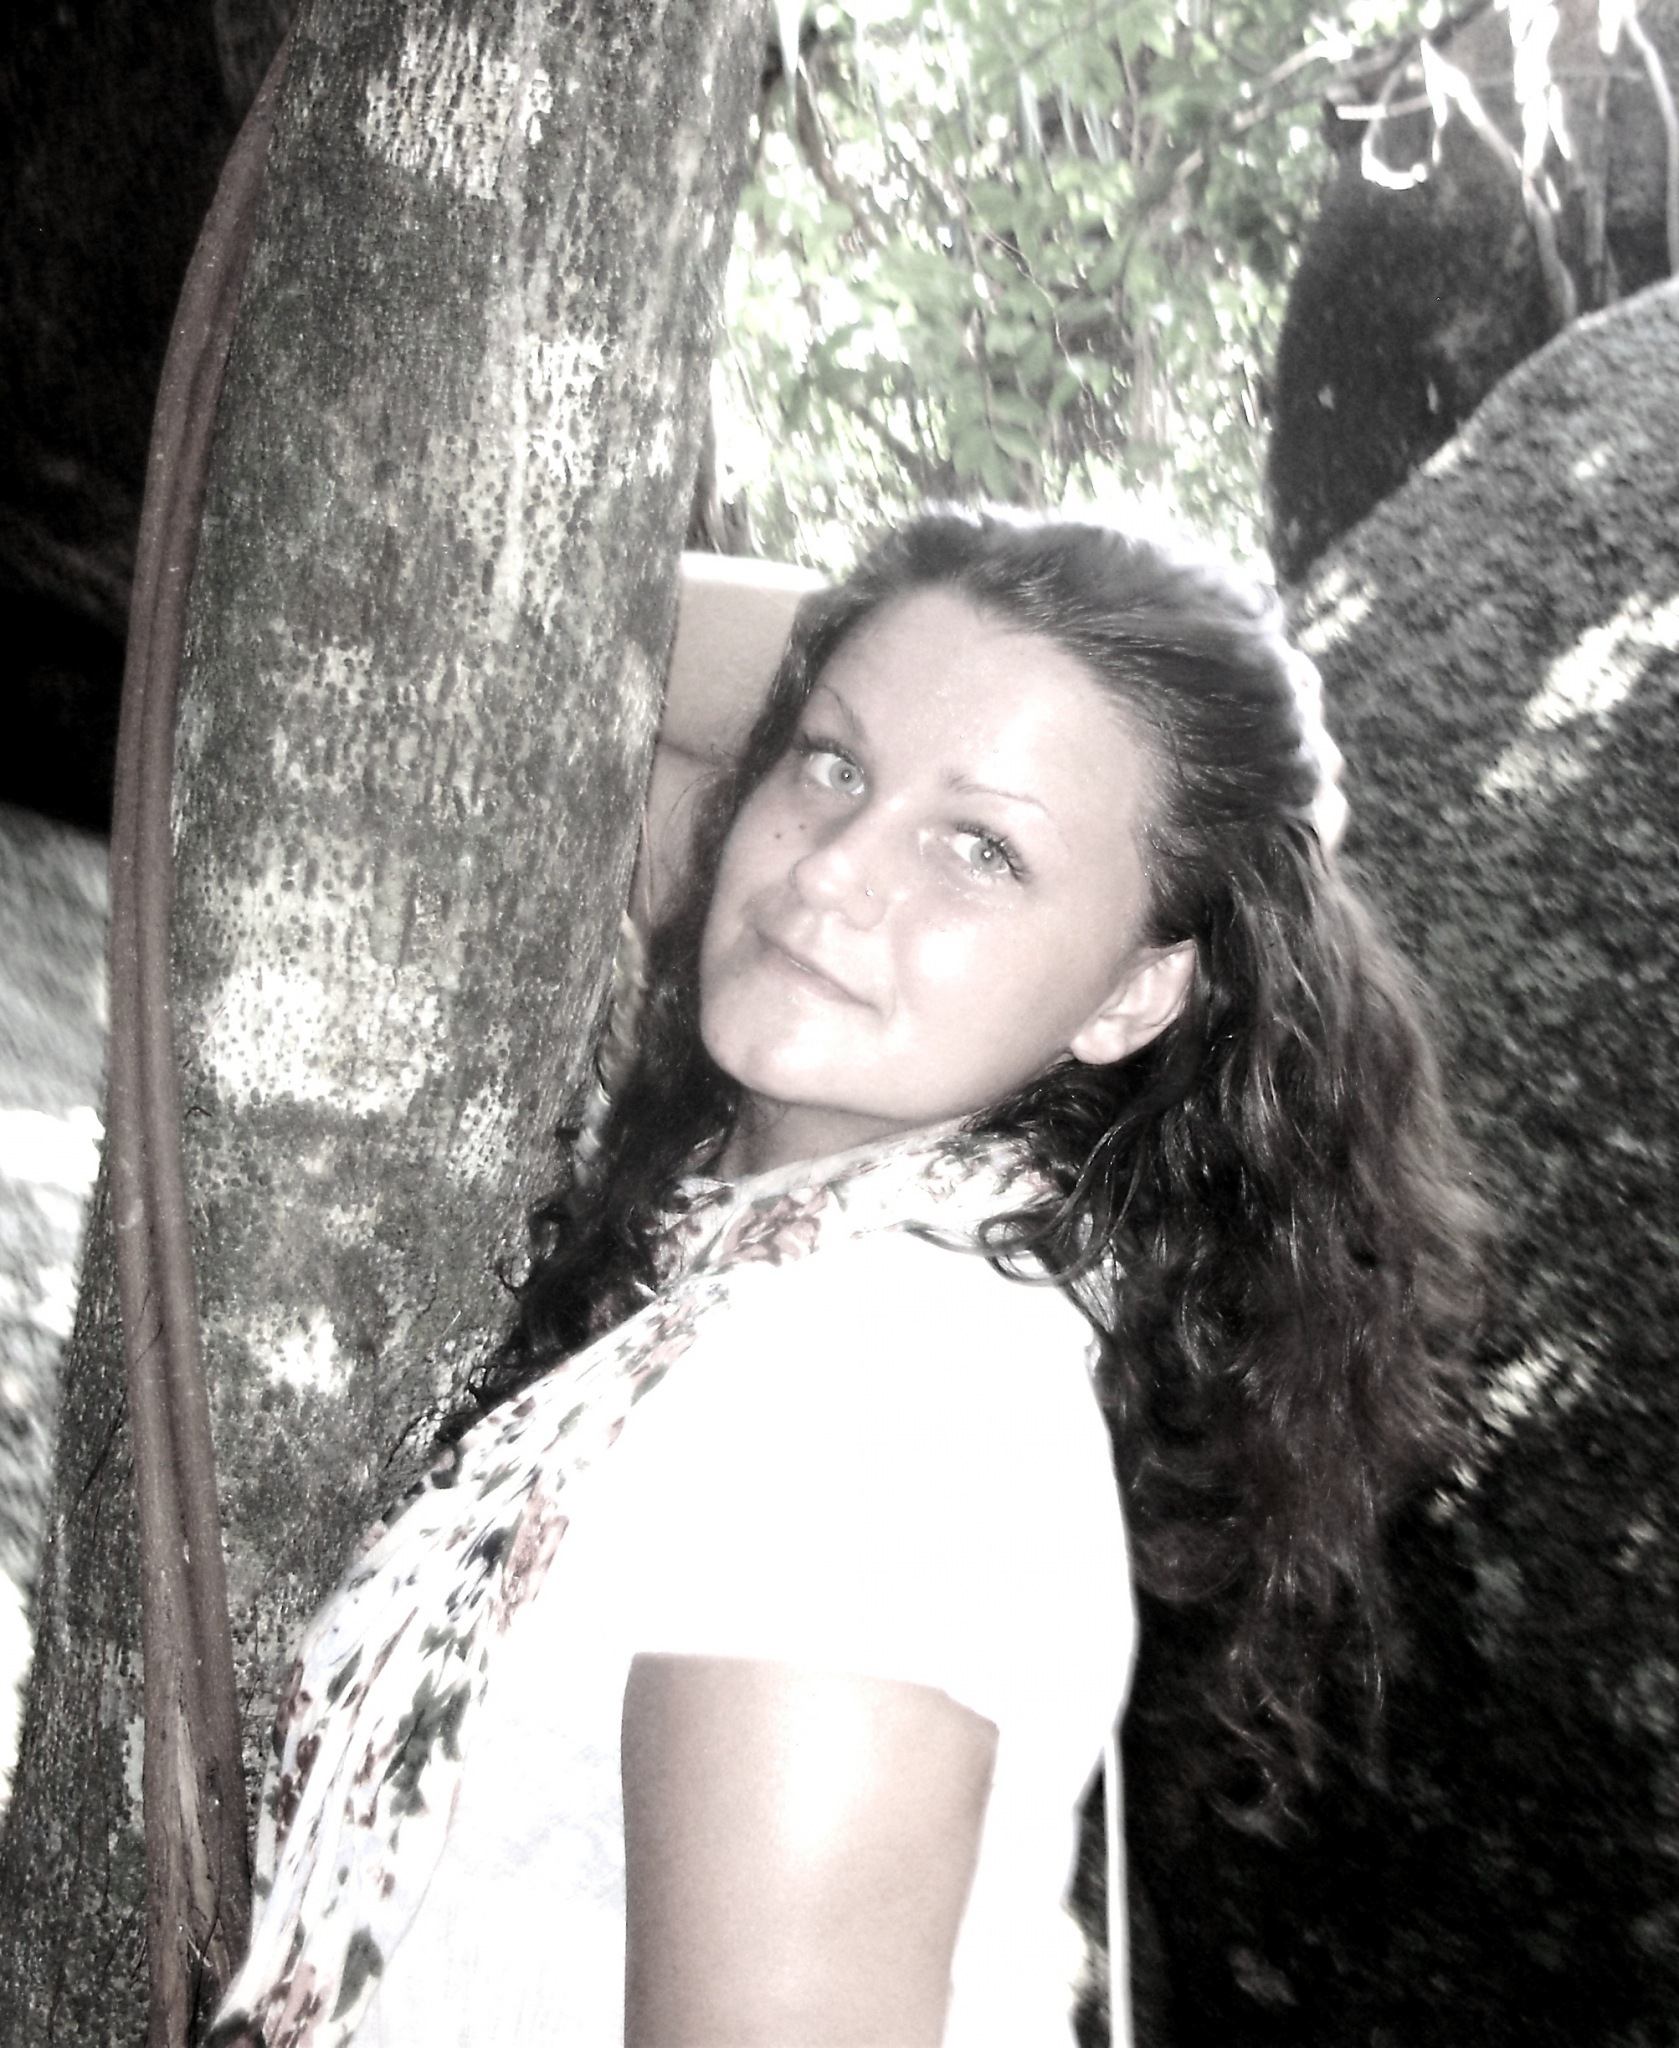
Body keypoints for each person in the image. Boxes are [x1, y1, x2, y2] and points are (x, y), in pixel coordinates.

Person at [211, 511, 1483, 2048]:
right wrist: (942, 633)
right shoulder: (806, 1243)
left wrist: (1155, 743)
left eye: (981, 850)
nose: (831, 874)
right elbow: (518, 612)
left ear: (1136, 990)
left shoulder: (875, 1402)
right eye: (829, 763)